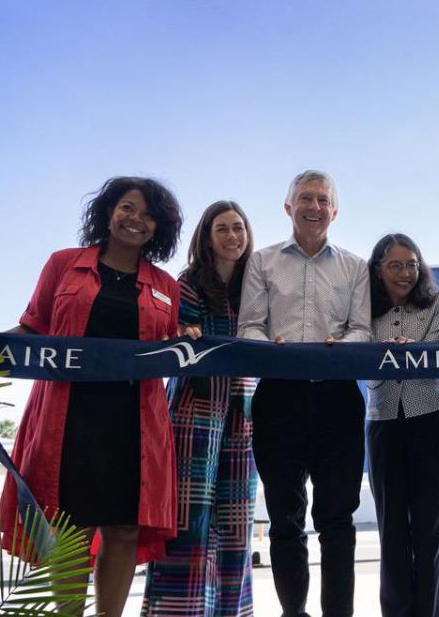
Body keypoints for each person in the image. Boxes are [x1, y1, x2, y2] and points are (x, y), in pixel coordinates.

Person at [0, 177, 183, 617]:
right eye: (128, 208)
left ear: (160, 228)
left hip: (135, 424)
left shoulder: (166, 286)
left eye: (149, 214)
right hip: (70, 416)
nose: (137, 220)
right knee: (70, 528)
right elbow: (34, 327)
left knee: (123, 530)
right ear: (108, 211)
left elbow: (168, 345)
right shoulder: (63, 264)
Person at [237, 170, 372, 617]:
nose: (314, 206)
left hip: (338, 401)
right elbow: (250, 326)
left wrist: (337, 352)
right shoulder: (262, 262)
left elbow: (362, 330)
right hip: (280, 399)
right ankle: (294, 611)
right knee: (284, 520)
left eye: (322, 199)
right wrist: (268, 348)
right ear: (288, 207)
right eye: (305, 198)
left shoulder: (355, 267)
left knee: (337, 521)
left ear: (335, 210)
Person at [143, 201, 259, 616]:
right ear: (207, 237)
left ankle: (231, 610)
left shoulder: (256, 283)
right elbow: (175, 329)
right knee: (189, 522)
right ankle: (179, 610)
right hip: (197, 409)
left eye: (239, 228)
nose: (233, 236)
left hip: (243, 408)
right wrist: (183, 330)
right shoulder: (189, 282)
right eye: (222, 229)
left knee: (236, 524)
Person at [365, 233, 439, 617]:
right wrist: (389, 357)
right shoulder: (363, 308)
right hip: (383, 419)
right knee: (392, 528)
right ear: (378, 270)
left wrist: (400, 355)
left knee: (430, 526)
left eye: (412, 265)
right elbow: (367, 367)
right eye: (395, 265)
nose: (405, 274)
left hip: (431, 418)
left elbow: (430, 361)